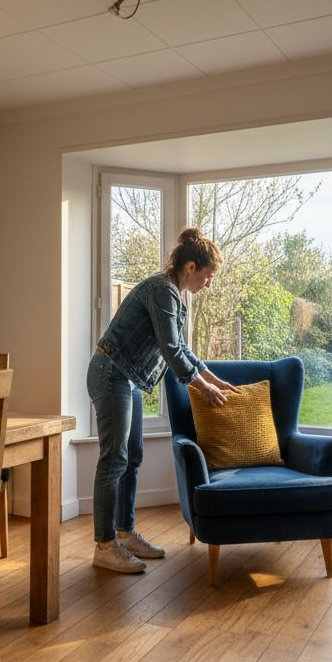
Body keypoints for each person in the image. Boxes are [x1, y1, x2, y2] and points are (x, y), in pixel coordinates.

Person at [87, 227, 237, 573]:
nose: (208, 283)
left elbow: (182, 349)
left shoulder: (173, 296)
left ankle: (125, 532)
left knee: (133, 457)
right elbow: (170, 352)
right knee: (114, 458)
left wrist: (214, 379)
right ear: (189, 267)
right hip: (110, 373)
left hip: (128, 378)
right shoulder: (161, 291)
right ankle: (104, 545)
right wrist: (202, 388)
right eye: (208, 275)